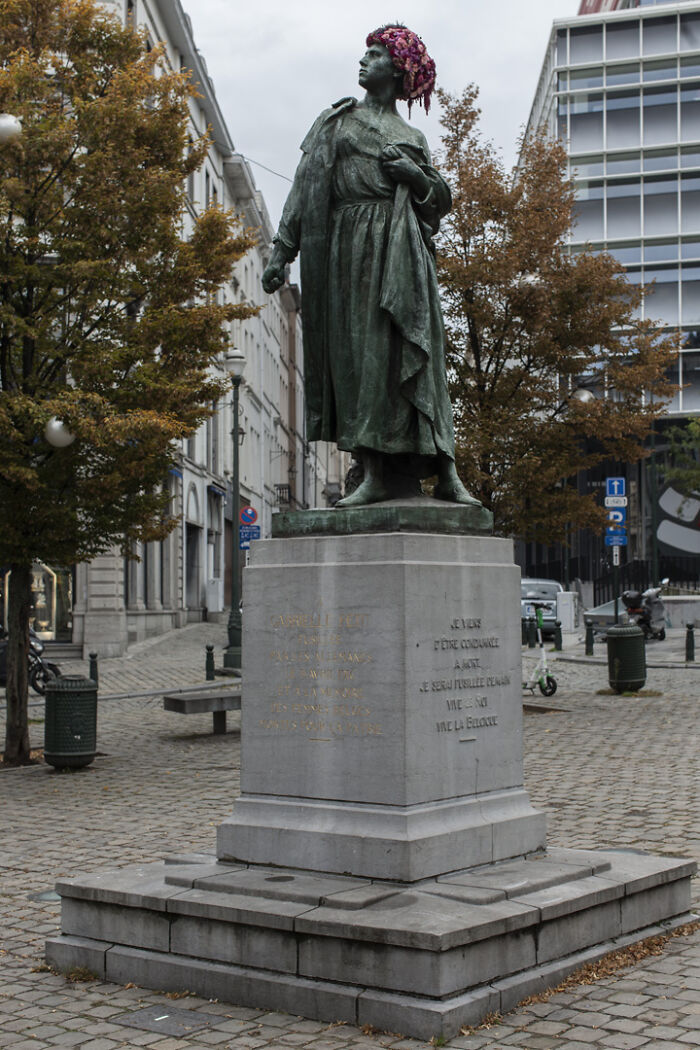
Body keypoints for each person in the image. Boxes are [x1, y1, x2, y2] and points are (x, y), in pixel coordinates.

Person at [262, 25, 479, 508]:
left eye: (376, 55)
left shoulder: (412, 135)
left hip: (402, 251)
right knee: (364, 362)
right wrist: (282, 250)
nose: (364, 62)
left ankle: (446, 469)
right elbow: (305, 188)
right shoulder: (336, 123)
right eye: (366, 54)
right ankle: (374, 471)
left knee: (421, 359)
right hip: (349, 251)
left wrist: (414, 175)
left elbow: (439, 201)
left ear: (397, 70)